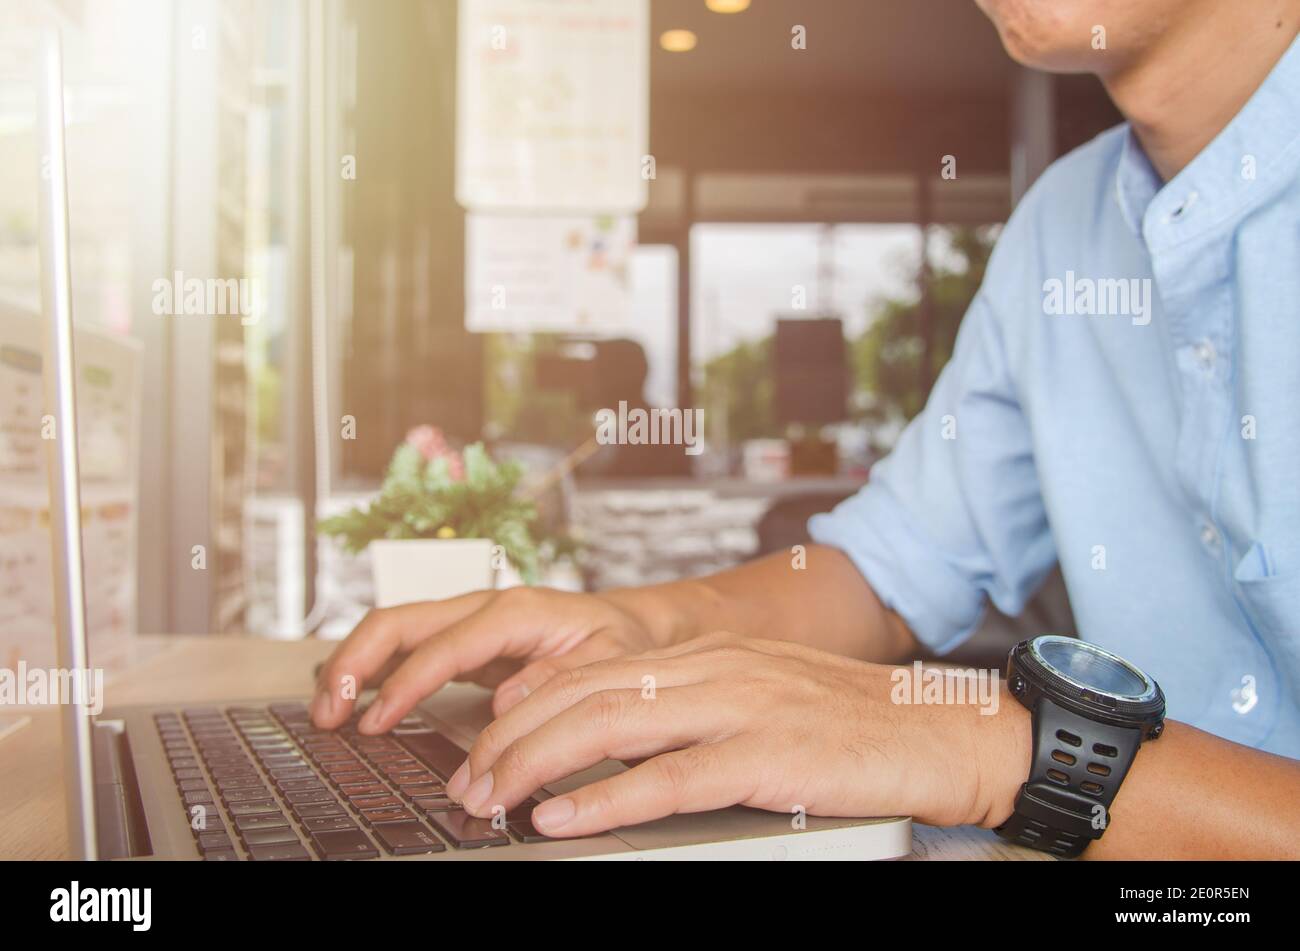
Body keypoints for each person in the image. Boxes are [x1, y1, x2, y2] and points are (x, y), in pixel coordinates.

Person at [312, 0, 1300, 858]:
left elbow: (967, 721)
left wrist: (988, 743)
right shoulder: (1062, 228)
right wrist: (643, 628)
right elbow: (890, 570)